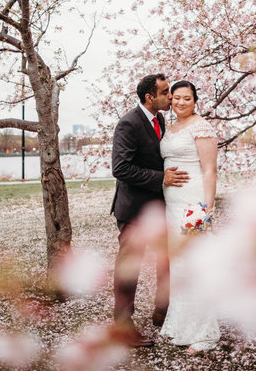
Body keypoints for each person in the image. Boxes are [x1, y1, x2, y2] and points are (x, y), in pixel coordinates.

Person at [111, 73, 189, 347]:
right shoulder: (128, 124)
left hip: (160, 208)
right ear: (149, 97)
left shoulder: (160, 120)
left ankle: (162, 311)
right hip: (134, 210)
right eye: (166, 92)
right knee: (129, 267)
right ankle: (122, 325)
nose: (171, 97)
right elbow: (120, 168)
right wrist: (161, 178)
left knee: (165, 261)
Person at [159, 80, 220, 354]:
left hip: (193, 203)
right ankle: (181, 326)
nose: (181, 103)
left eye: (187, 98)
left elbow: (210, 171)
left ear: (195, 101)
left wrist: (206, 208)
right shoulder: (169, 128)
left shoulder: (201, 127)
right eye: (176, 98)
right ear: (170, 100)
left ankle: (203, 334)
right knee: (179, 266)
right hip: (172, 204)